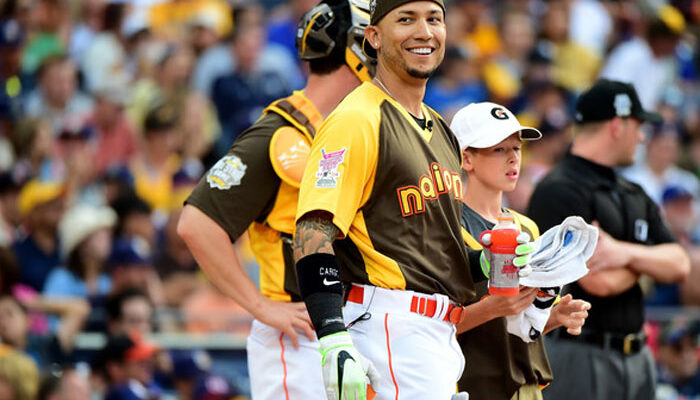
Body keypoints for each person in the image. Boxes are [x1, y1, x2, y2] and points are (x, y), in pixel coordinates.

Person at [176, 0, 375, 398]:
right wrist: (260, 306)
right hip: (299, 334)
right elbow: (196, 224)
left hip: (350, 326)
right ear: (354, 51)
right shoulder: (278, 132)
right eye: (373, 43)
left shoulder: (349, 128)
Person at [291, 0, 477, 397]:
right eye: (406, 19)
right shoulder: (356, 118)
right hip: (389, 326)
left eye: (434, 19)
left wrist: (495, 261)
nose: (424, 32)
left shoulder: (439, 126)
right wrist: (331, 336)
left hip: (434, 332)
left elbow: (436, 247)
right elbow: (313, 232)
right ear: (373, 37)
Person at [527, 79, 691, 400]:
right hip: (581, 353)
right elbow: (597, 282)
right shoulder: (558, 188)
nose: (642, 137)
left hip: (638, 356)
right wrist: (647, 264)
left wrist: (623, 253)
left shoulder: (632, 191)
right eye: (638, 126)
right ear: (617, 125)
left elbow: (680, 264)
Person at [450, 102, 591, 400]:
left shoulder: (526, 226)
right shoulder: (448, 226)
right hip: (473, 386)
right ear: (467, 159)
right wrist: (492, 308)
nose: (513, 157)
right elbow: (433, 324)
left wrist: (555, 316)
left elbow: (520, 328)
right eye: (499, 149)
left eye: (516, 148)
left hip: (528, 386)